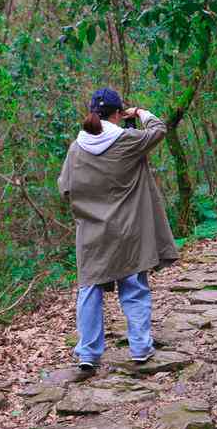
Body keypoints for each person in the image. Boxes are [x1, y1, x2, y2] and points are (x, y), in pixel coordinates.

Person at [58, 88, 178, 371]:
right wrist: (139, 113)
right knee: (134, 288)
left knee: (89, 290)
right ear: (116, 113)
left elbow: (65, 188)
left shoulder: (76, 148)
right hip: (128, 231)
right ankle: (139, 348)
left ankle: (88, 354)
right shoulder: (127, 140)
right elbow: (159, 129)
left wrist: (89, 209)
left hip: (91, 234)